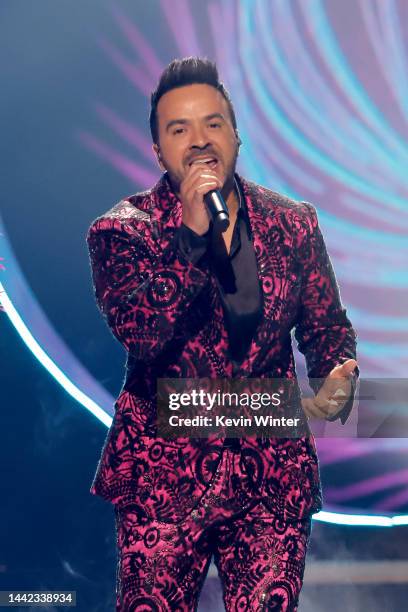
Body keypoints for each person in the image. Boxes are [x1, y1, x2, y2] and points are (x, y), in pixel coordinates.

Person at [87, 57, 358, 612]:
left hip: (272, 477)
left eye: (213, 123)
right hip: (162, 481)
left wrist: (337, 379)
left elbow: (328, 330)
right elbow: (141, 333)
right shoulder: (122, 232)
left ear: (236, 134)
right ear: (159, 151)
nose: (199, 141)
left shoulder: (293, 223)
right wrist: (190, 236)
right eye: (178, 129)